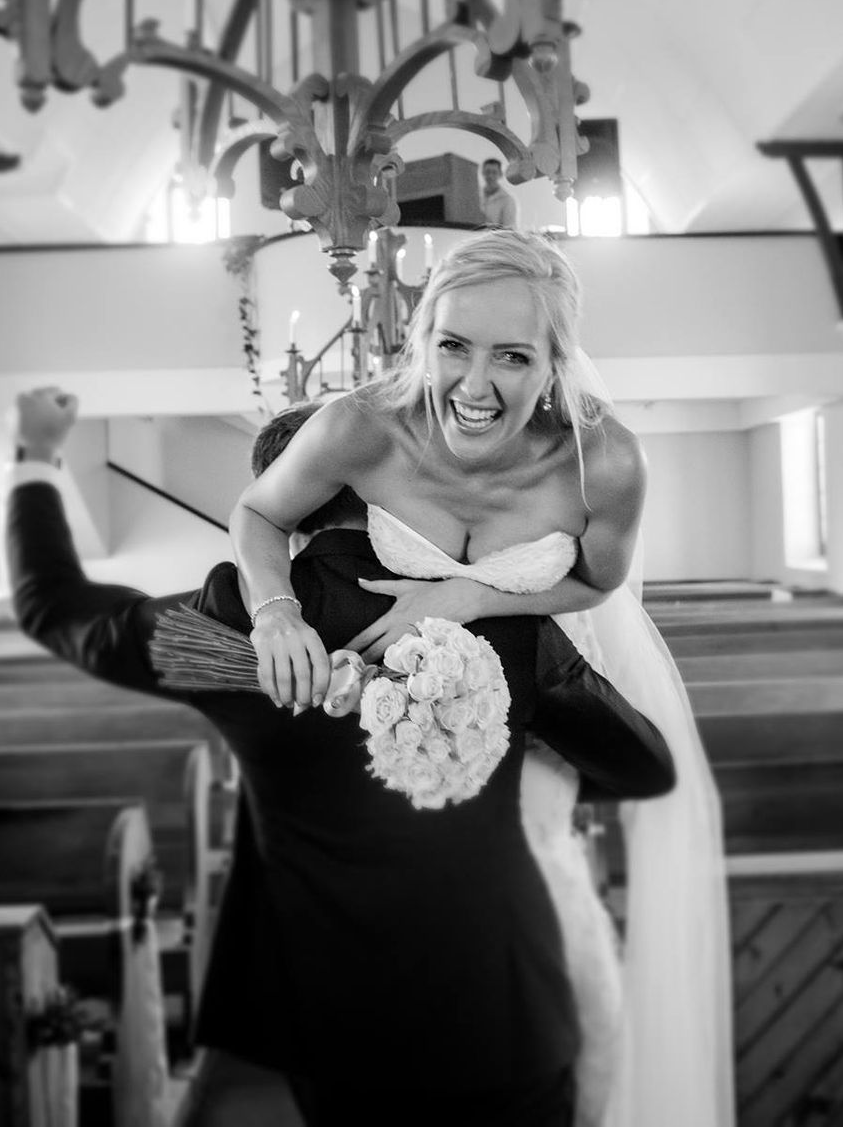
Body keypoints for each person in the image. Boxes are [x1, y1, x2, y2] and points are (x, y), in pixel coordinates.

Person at [7, 390, 674, 1127]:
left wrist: (37, 455)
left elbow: (51, 603)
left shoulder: (223, 626)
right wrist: (514, 764)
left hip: (332, 1019)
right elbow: (645, 767)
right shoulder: (488, 614)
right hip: (503, 1006)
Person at [231, 229, 734, 1127]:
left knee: (542, 998)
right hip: (404, 763)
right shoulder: (359, 426)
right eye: (453, 346)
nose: (474, 383)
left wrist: (475, 596)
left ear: (556, 363)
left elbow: (598, 579)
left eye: (513, 355)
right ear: (421, 338)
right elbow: (259, 514)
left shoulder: (604, 461)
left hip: (535, 715)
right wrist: (275, 613)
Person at [480, 156, 520, 229]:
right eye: (487, 172)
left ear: (500, 174)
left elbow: (509, 229)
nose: (490, 176)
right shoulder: (475, 195)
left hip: (494, 239)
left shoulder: (508, 200)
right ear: (483, 173)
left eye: (494, 172)